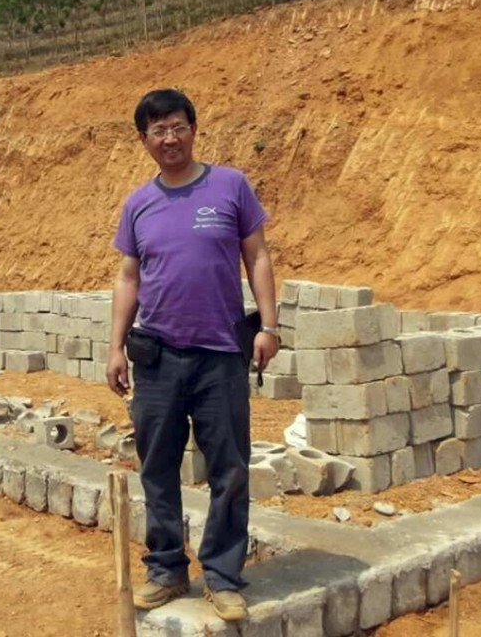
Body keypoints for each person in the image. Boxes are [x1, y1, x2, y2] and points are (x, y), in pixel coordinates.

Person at [106, 88, 279, 622]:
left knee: (228, 467)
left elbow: (258, 256)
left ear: (194, 128)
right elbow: (128, 276)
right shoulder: (138, 203)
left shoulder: (230, 186)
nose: (170, 138)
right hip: (156, 356)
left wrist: (269, 325)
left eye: (177, 126)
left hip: (222, 353)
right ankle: (166, 570)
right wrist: (115, 346)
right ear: (144, 140)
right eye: (158, 130)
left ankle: (223, 577)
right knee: (156, 465)